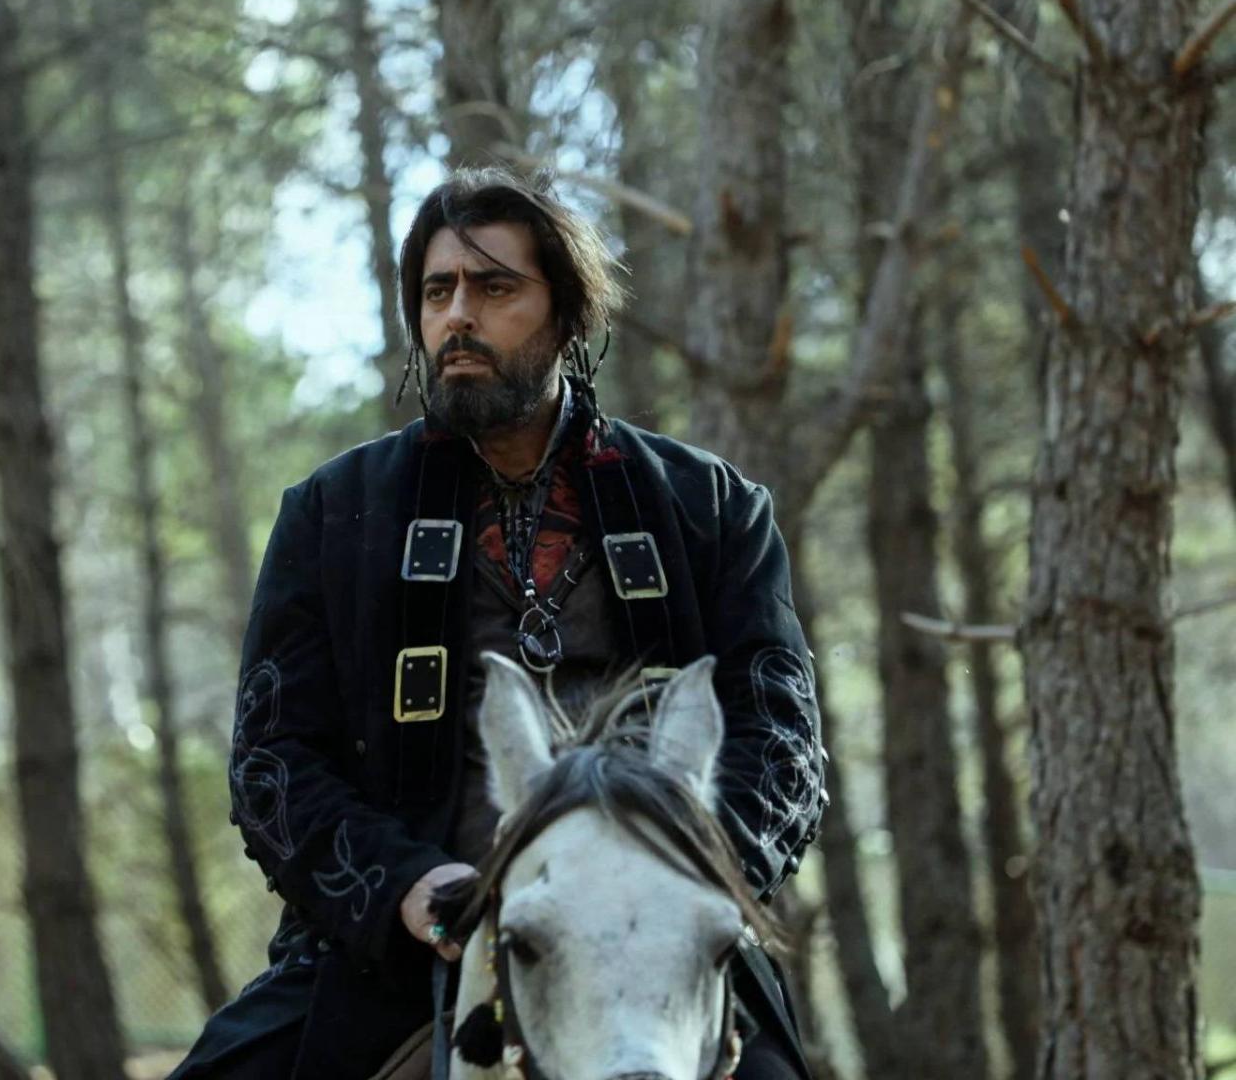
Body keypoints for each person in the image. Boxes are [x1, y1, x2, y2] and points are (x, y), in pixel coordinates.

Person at [170, 168, 826, 1079]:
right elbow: (274, 763)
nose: (458, 316)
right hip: (403, 945)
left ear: (568, 313)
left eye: (495, 287)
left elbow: (781, 744)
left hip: (664, 948)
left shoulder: (709, 506)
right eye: (437, 291)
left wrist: (685, 878)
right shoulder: (332, 513)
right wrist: (404, 886)